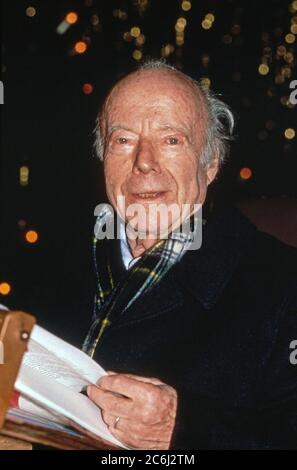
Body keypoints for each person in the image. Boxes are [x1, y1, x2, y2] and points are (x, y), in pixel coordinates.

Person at [82, 60, 297, 450]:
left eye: (171, 140)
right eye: (123, 140)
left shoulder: (284, 286)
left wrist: (184, 431)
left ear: (211, 164)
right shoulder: (55, 264)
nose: (144, 161)